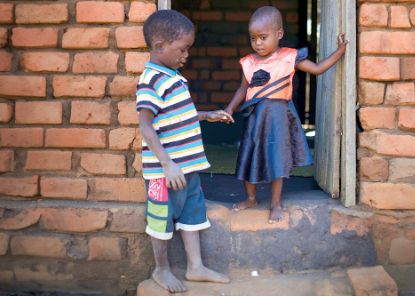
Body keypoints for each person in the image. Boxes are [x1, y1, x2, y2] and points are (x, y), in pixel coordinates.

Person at [136, 9, 232, 293]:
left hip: (187, 169)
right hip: (163, 174)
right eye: (182, 49)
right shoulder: (151, 79)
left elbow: (177, 117)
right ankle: (161, 269)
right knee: (160, 220)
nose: (186, 55)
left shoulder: (174, 77)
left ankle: (196, 267)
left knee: (192, 215)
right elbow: (146, 126)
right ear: (159, 47)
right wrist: (167, 164)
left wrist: (206, 115)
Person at [224, 6, 348, 224]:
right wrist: (229, 109)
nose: (258, 43)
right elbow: (243, 89)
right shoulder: (249, 62)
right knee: (248, 156)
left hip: (279, 118)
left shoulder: (290, 58)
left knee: (277, 160)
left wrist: (339, 52)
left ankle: (276, 204)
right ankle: (251, 198)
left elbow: (318, 69)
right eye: (253, 38)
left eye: (263, 37)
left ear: (279, 34)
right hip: (255, 119)